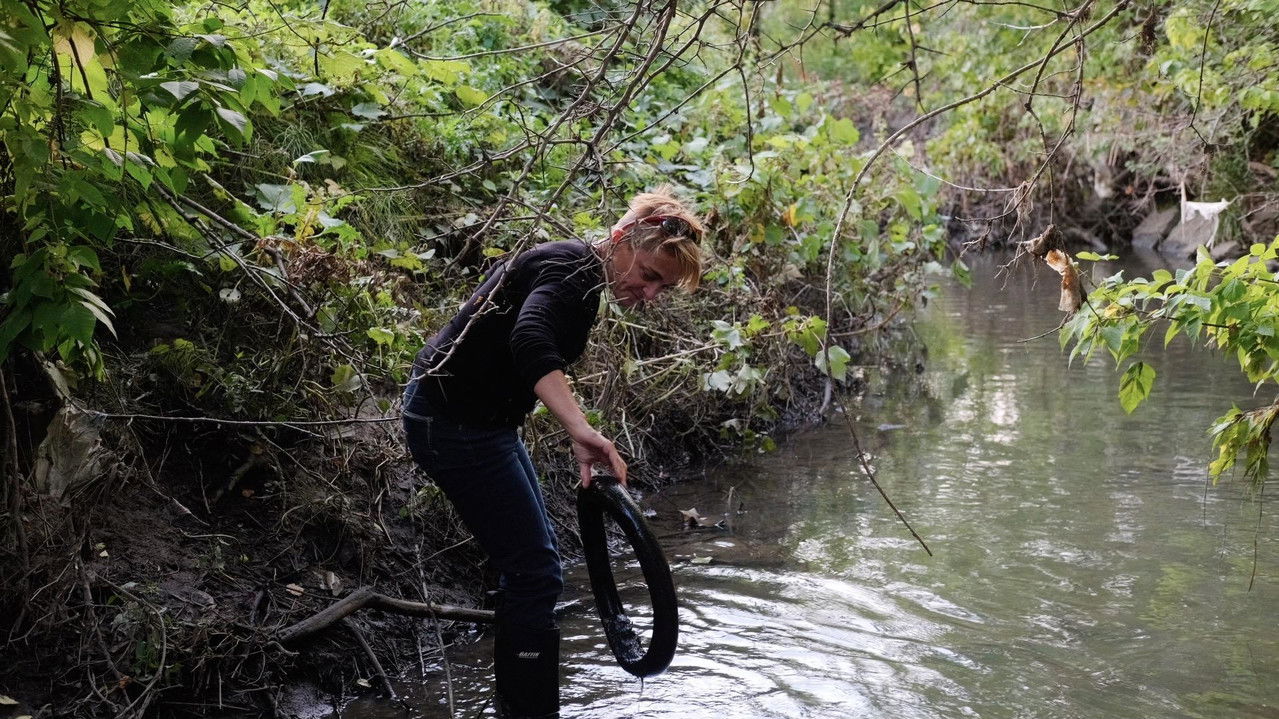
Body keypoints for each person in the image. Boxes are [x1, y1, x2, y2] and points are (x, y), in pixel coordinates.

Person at [401, 187, 705, 718]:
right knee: (535, 574)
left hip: (475, 419)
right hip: (453, 423)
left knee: (534, 568)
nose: (651, 293)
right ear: (622, 239)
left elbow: (512, 343)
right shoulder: (572, 274)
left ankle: (517, 700)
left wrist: (572, 432)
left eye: (663, 287)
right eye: (650, 274)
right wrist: (581, 428)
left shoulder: (572, 267)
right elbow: (530, 339)